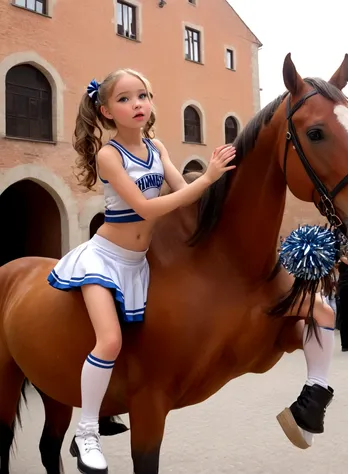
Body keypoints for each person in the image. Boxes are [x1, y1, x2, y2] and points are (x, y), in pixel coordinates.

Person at [47, 69, 237, 473]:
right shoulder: (109, 155)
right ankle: (87, 433)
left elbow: (182, 199)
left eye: (143, 96)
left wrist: (216, 182)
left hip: (139, 265)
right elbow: (147, 207)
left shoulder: (157, 147)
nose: (137, 104)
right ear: (105, 110)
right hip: (104, 260)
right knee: (110, 341)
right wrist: (207, 177)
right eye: (125, 98)